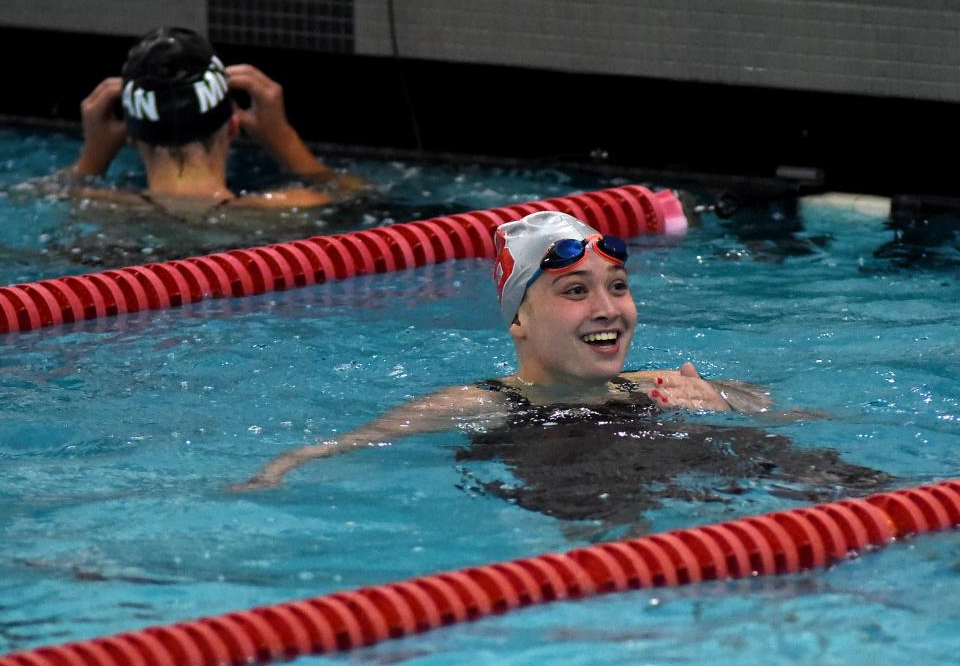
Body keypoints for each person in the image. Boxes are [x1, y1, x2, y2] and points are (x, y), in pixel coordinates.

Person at [229, 211, 890, 531]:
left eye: (618, 285)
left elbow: (806, 421)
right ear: (519, 319)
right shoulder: (482, 403)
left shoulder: (663, 384)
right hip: (603, 518)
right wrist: (270, 477)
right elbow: (333, 448)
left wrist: (726, 402)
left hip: (705, 488)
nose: (607, 309)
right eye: (575, 291)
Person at [63, 27, 365, 216]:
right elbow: (361, 199)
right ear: (233, 124)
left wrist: (92, 161)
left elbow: (41, 196)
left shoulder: (96, 208)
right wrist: (285, 141)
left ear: (130, 134)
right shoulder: (293, 209)